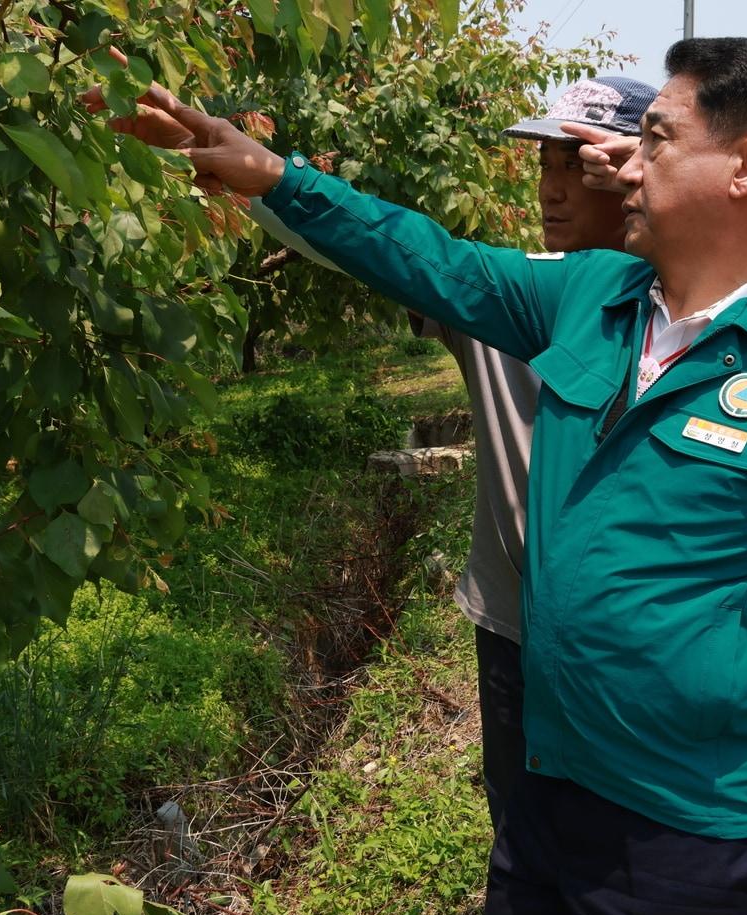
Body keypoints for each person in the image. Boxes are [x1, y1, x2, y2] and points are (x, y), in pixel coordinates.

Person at [92, 37, 747, 915]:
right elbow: (427, 257)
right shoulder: (590, 296)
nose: (622, 166)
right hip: (548, 793)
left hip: (699, 831)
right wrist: (274, 176)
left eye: (654, 139)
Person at [245, 76, 659, 832]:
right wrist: (258, 177)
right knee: (526, 826)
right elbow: (378, 250)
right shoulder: (503, 297)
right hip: (513, 627)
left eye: (579, 165)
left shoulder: (700, 319)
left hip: (634, 639)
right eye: (545, 167)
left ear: (638, 170)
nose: (554, 190)